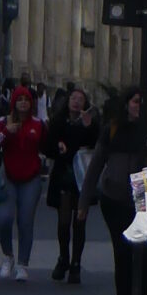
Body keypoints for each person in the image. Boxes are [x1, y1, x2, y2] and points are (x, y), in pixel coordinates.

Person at [78, 89, 147, 295]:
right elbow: (95, 166)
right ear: (126, 104)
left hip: (141, 202)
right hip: (114, 198)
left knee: (146, 252)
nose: (138, 106)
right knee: (122, 251)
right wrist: (84, 202)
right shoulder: (112, 129)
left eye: (142, 102)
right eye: (134, 101)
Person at [45, 88, 97, 284]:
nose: (76, 102)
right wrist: (58, 147)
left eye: (80, 99)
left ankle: (76, 263)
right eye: (73, 98)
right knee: (64, 220)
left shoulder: (90, 123)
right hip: (65, 174)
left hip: (82, 176)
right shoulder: (59, 121)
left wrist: (88, 126)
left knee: (80, 221)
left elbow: (94, 145)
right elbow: (48, 146)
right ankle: (63, 257)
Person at [0, 85, 45, 281]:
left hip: (30, 177)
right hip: (7, 176)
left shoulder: (38, 124)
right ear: (13, 103)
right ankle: (8, 256)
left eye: (26, 99)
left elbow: (46, 145)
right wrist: (6, 132)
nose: (23, 102)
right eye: (19, 99)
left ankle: (23, 264)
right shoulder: (2, 122)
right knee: (4, 218)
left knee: (25, 221)